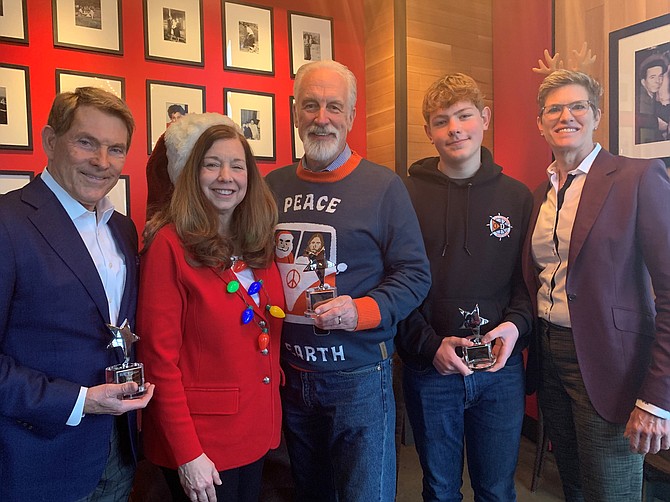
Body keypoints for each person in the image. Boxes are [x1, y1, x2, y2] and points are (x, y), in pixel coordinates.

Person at [265, 59, 431, 501]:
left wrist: (360, 311)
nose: (322, 118)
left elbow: (416, 274)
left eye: (334, 107)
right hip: (289, 376)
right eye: (311, 106)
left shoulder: (384, 186)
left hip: (358, 376)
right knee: (310, 493)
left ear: (352, 116)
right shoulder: (270, 186)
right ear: (294, 111)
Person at [0, 87, 155, 501]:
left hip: (117, 453)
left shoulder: (122, 228)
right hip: (36, 461)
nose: (102, 162)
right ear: (51, 141)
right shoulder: (7, 223)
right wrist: (79, 401)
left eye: (116, 149)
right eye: (86, 142)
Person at [523, 69, 670, 501]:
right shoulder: (539, 195)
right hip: (550, 356)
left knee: (612, 491)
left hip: (612, 364)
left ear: (596, 115)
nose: (565, 116)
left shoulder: (638, 178)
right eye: (554, 108)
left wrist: (657, 399)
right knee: (573, 484)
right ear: (540, 122)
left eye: (577, 106)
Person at [397, 73, 533, 501]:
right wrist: (427, 345)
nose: (454, 128)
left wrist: (514, 328)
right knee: (439, 490)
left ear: (485, 118)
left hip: (499, 368)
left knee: (496, 489)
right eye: (441, 120)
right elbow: (395, 282)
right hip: (430, 366)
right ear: (428, 133)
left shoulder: (518, 197)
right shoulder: (402, 194)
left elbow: (527, 284)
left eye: (464, 115)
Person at [137, 113, 284, 502]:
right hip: (202, 444)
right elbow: (158, 362)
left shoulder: (255, 241)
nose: (226, 176)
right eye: (212, 164)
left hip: (254, 429)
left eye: (237, 165)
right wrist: (188, 454)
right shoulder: (169, 245)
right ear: (191, 174)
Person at [636, 54, 670, 144]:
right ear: (643, 82)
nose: (658, 81)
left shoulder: (657, 102)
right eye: (652, 77)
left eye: (660, 76)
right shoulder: (639, 104)